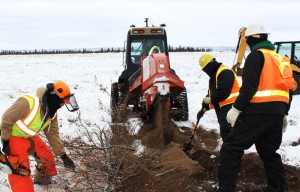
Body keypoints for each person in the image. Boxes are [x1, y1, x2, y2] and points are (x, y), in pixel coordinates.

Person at [214, 24, 294, 192]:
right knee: (269, 151)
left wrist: (236, 109)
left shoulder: (256, 57)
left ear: (250, 40)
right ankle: (278, 187)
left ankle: (225, 189)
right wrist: (284, 113)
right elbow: (288, 88)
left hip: (258, 110)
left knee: (231, 147)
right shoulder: (280, 60)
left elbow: (249, 87)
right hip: (277, 113)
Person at [0, 81, 79, 192]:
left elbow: (53, 135)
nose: (62, 106)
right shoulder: (28, 103)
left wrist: (63, 155)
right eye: (62, 102)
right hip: (12, 135)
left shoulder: (52, 112)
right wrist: (5, 141)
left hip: (28, 136)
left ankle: (42, 181)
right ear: (55, 99)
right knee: (20, 170)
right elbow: (6, 119)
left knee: (46, 156)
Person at [198, 53, 240, 141]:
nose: (206, 72)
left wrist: (210, 99)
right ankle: (228, 152)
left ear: (211, 64)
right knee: (226, 134)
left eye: (206, 68)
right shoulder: (215, 75)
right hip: (223, 109)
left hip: (231, 108)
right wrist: (204, 107)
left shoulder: (225, 72)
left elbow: (222, 93)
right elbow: (213, 93)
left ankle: (229, 154)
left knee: (229, 135)